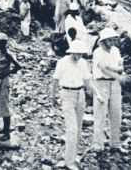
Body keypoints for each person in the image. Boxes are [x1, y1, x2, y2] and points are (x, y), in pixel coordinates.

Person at [51, 40, 104, 170]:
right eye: (76, 53)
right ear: (71, 52)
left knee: (78, 128)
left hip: (80, 94)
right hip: (67, 94)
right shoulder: (62, 62)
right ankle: (69, 162)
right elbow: (55, 80)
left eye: (81, 54)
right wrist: (52, 96)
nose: (78, 56)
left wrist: (98, 94)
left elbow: (88, 81)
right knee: (72, 129)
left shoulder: (83, 63)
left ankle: (73, 155)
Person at [92, 28, 124, 153]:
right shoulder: (98, 52)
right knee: (100, 114)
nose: (112, 42)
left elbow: (121, 67)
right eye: (109, 40)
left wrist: (116, 71)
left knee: (116, 113)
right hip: (101, 83)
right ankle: (97, 143)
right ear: (103, 41)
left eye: (113, 39)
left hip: (115, 83)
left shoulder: (116, 51)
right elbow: (103, 68)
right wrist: (118, 72)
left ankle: (115, 142)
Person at [0, 34, 22, 143]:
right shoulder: (0, 53)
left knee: (4, 106)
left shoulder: (8, 54)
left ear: (2, 43)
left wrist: (7, 72)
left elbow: (18, 66)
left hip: (4, 81)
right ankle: (4, 129)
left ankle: (7, 134)